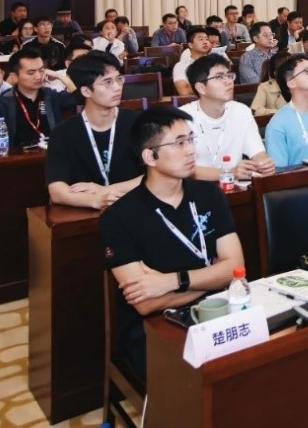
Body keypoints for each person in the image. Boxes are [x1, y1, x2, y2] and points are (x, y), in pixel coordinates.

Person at [100, 106, 243, 385]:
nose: (190, 150)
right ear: (149, 156)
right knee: (199, 381)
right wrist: (215, 278)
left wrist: (171, 282)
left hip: (219, 311)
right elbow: (147, 303)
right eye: (179, 143)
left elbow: (236, 269)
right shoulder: (118, 217)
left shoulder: (209, 194)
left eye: (190, 139)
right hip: (154, 327)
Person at [46, 52, 143, 209]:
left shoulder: (139, 122)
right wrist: (95, 200)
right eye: (107, 82)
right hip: (85, 214)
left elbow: (157, 175)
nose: (117, 87)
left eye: (119, 79)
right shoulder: (63, 132)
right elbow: (56, 190)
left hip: (135, 207)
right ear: (86, 91)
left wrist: (106, 191)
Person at [180, 54, 274, 182]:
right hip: (196, 188)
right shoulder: (182, 118)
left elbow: (257, 152)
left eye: (229, 75)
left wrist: (264, 164)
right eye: (219, 77)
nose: (229, 81)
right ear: (201, 88)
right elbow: (181, 169)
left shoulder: (241, 111)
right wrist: (229, 172)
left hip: (234, 186)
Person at [0, 47, 64, 151]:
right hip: (16, 159)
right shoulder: (2, 105)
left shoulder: (51, 95)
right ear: (14, 76)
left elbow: (78, 99)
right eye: (31, 73)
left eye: (41, 70)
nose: (38, 76)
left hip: (52, 156)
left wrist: (60, 76)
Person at [172, 27, 216, 95]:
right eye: (201, 39)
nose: (205, 42)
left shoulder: (215, 63)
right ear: (190, 45)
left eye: (207, 39)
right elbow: (184, 92)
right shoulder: (181, 66)